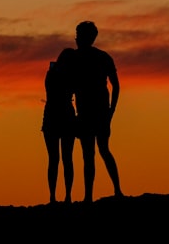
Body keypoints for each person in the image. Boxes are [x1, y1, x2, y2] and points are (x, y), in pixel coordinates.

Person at [70, 20, 123, 201]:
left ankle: (110, 192)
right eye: (77, 34)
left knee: (97, 151)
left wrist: (111, 111)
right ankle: (92, 196)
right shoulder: (93, 57)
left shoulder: (89, 58)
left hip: (96, 112)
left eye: (79, 35)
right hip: (90, 112)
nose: (76, 38)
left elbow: (116, 86)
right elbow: (116, 86)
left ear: (88, 37)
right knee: (95, 152)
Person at [42, 47, 76, 204]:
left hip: (52, 116)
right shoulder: (66, 75)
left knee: (55, 159)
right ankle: (63, 196)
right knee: (64, 159)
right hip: (62, 115)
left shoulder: (51, 73)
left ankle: (55, 197)